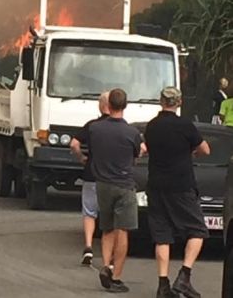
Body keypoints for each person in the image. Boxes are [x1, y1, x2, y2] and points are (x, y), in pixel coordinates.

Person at [144, 87, 210, 298]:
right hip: (181, 185)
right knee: (197, 230)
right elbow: (205, 149)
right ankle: (184, 276)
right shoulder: (185, 125)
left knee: (162, 234)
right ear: (179, 102)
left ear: (160, 101)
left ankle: (163, 284)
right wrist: (190, 151)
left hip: (156, 184)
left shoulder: (152, 126)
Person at [88, 88, 143, 293]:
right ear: (125, 105)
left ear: (107, 105)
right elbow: (138, 153)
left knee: (107, 228)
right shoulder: (131, 132)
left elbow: (91, 151)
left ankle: (105, 266)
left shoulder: (95, 129)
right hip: (124, 184)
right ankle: (116, 276)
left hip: (102, 183)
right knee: (123, 231)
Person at [69, 91, 110, 266]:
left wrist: (81, 158)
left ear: (100, 106)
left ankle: (88, 246)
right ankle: (109, 255)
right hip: (112, 177)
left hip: (92, 173)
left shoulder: (91, 126)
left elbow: (74, 144)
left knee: (89, 212)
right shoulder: (123, 127)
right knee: (109, 216)